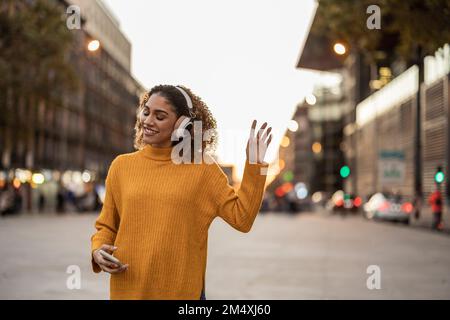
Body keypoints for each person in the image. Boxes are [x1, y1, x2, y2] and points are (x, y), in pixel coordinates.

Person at [90, 85, 273, 300]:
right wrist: (97, 250)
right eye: (146, 112)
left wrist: (255, 165)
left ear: (181, 124)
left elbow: (242, 218)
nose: (148, 121)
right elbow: (107, 225)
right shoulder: (121, 166)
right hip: (127, 290)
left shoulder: (202, 169)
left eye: (160, 116)